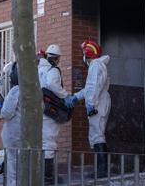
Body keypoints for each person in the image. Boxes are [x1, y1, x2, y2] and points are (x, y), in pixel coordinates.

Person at [69, 39, 111, 178]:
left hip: (98, 103)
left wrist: (90, 104)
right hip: (100, 101)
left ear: (88, 53)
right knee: (97, 134)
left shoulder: (95, 66)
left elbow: (92, 87)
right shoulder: (98, 65)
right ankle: (102, 169)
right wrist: (76, 96)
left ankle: (102, 171)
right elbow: (89, 89)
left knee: (97, 135)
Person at [39, 44, 69, 180]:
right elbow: (52, 85)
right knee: (49, 141)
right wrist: (65, 96)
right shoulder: (53, 70)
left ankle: (41, 174)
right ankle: (48, 176)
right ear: (57, 58)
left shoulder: (38, 68)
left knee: (42, 141)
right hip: (49, 109)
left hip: (38, 109)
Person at [0, 62, 21, 186]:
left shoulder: (15, 90)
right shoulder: (35, 89)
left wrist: (1, 106)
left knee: (13, 165)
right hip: (27, 133)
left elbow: (6, 112)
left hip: (13, 133)